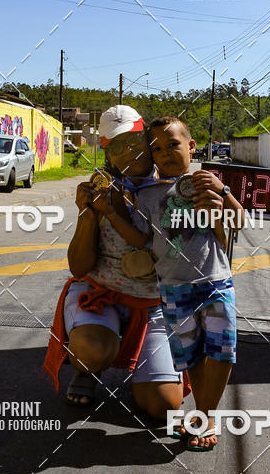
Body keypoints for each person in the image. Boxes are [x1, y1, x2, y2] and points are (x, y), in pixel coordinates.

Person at [101, 114, 244, 451]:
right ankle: (201, 413)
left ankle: (207, 414)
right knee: (191, 355)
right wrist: (110, 212)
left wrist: (223, 194)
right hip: (174, 288)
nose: (165, 152)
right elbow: (140, 238)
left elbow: (238, 220)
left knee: (222, 351)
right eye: (156, 148)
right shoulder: (147, 195)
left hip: (215, 281)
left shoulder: (205, 182)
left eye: (173, 145)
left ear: (192, 146)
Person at [43, 105, 185, 419]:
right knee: (94, 350)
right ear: (109, 154)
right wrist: (87, 214)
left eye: (136, 142)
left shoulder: (176, 186)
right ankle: (88, 369)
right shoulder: (101, 191)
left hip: (156, 304)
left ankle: (147, 371)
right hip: (102, 294)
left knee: (165, 407)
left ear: (149, 140)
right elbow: (78, 268)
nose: (130, 152)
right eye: (119, 147)